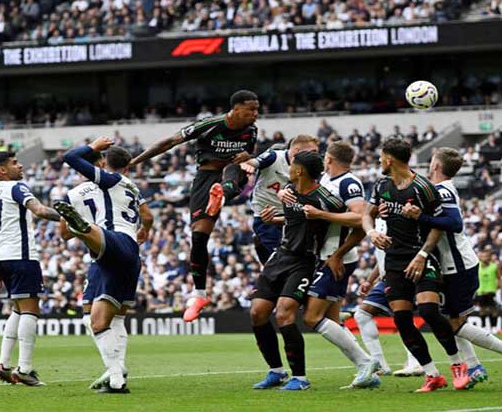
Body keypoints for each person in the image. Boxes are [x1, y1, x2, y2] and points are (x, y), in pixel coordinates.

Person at [401, 148, 502, 387]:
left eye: (431, 162)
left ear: (436, 166)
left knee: (455, 324)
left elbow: (455, 223)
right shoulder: (438, 189)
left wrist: (420, 218)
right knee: (452, 321)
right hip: (451, 265)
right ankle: (475, 366)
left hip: (459, 266)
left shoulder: (443, 190)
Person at [129, 90, 259, 322]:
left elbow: (250, 155)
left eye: (257, 109)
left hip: (232, 173)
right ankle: (199, 294)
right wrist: (135, 161)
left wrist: (246, 157)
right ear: (237, 108)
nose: (256, 114)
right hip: (205, 178)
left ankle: (222, 194)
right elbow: (169, 142)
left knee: (234, 167)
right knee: (198, 237)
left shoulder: (251, 131)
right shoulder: (209, 124)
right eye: (251, 109)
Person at [362, 138, 470, 393]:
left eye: (380, 156)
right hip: (394, 260)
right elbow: (367, 214)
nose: (378, 161)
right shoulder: (381, 185)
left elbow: (438, 225)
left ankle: (458, 364)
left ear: (389, 159)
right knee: (401, 319)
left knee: (430, 311)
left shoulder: (423, 187)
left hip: (421, 256)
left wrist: (422, 255)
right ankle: (432, 374)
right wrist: (371, 233)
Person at [55, 137, 153, 394]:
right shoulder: (131, 185)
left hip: (108, 247)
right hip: (130, 253)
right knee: (113, 316)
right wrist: (145, 231)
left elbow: (63, 235)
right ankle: (116, 368)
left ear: (102, 164)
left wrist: (93, 145)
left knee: (95, 323)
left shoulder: (82, 190)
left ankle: (116, 378)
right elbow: (148, 216)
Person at [249, 151, 344, 391]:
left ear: (300, 170)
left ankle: (300, 378)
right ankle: (276, 371)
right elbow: (296, 219)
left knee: (283, 313)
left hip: (304, 260)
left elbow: (352, 218)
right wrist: (276, 220)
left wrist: (337, 251)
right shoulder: (289, 190)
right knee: (257, 312)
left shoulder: (324, 197)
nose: (288, 168)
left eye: (292, 166)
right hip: (280, 256)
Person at [289, 141, 379, 388]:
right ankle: (368, 371)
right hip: (326, 256)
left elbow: (361, 218)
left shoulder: (348, 183)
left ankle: (365, 362)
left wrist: (336, 250)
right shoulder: (328, 183)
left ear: (328, 159)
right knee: (332, 319)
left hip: (335, 258)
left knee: (310, 317)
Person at [0, 150, 62, 386]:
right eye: (14, 163)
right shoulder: (17, 187)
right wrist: (70, 219)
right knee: (30, 309)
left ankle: (3, 364)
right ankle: (25, 368)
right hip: (22, 256)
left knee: (18, 309)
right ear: (2, 170)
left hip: (3, 259)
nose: (20, 166)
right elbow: (41, 210)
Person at [354, 217, 423, 378]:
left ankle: (416, 362)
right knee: (362, 314)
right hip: (386, 278)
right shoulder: (377, 222)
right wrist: (370, 280)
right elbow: (382, 258)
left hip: (403, 274)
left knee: (403, 317)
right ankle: (380, 364)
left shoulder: (398, 216)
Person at [240, 134, 319, 264]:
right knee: (279, 260)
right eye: (313, 152)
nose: (316, 155)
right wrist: (248, 163)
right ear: (297, 151)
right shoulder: (275, 156)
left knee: (293, 256)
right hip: (266, 214)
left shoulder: (308, 167)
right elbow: (255, 162)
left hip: (290, 215)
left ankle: (261, 250)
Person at [475, 246, 501, 332]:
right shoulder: (477, 266)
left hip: (491, 291)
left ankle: (494, 327)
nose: (484, 258)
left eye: (486, 256)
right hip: (481, 291)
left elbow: (499, 278)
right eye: (482, 256)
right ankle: (483, 327)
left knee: (493, 309)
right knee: (482, 310)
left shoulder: (494, 267)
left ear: (489, 257)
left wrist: (499, 289)